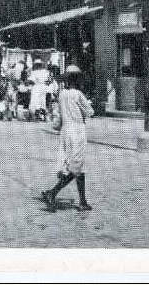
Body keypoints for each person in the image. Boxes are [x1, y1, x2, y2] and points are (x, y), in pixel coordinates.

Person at [41, 66, 94, 211]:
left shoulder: (62, 94)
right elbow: (90, 112)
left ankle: (83, 201)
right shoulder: (78, 94)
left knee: (73, 164)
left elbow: (58, 115)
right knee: (76, 165)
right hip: (77, 130)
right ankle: (53, 192)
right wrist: (88, 103)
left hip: (65, 131)